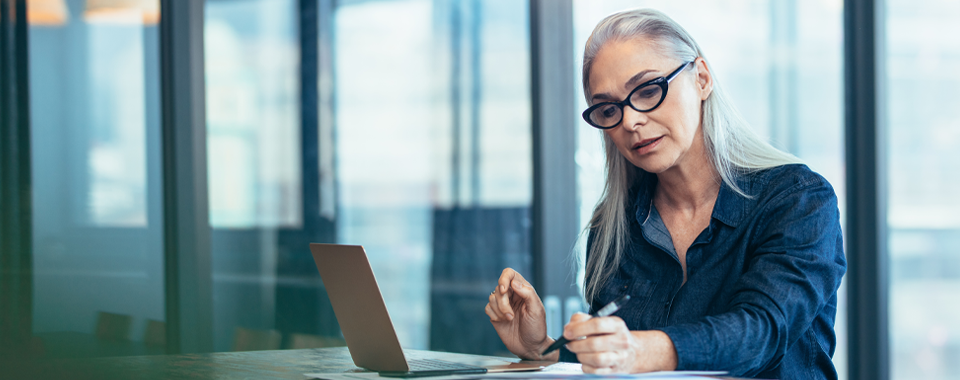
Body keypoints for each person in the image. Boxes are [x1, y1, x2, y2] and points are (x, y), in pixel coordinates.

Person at [484, 8, 846, 379]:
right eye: (609, 109)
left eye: (647, 90)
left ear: (701, 78)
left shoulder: (797, 200)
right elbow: (615, 362)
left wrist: (641, 349)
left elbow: (762, 331)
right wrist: (541, 349)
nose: (630, 121)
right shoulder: (615, 227)